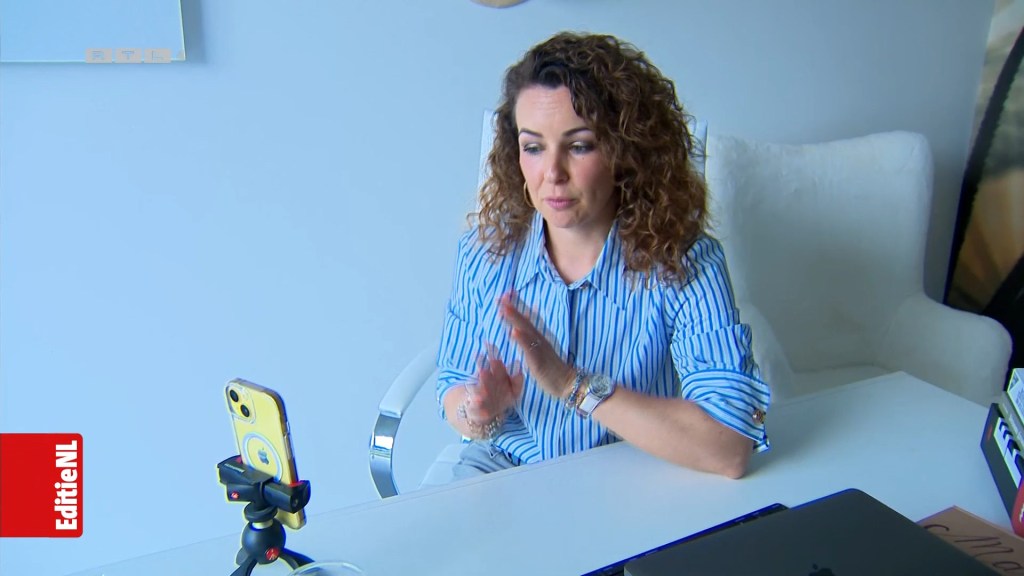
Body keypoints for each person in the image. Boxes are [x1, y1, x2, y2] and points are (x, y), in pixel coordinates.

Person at [435, 31, 770, 482]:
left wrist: (571, 384)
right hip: (503, 471)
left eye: (579, 146)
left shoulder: (687, 263)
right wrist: (479, 411)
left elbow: (728, 447)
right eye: (533, 147)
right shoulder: (485, 251)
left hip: (632, 475)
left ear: (626, 152)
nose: (552, 173)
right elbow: (453, 387)